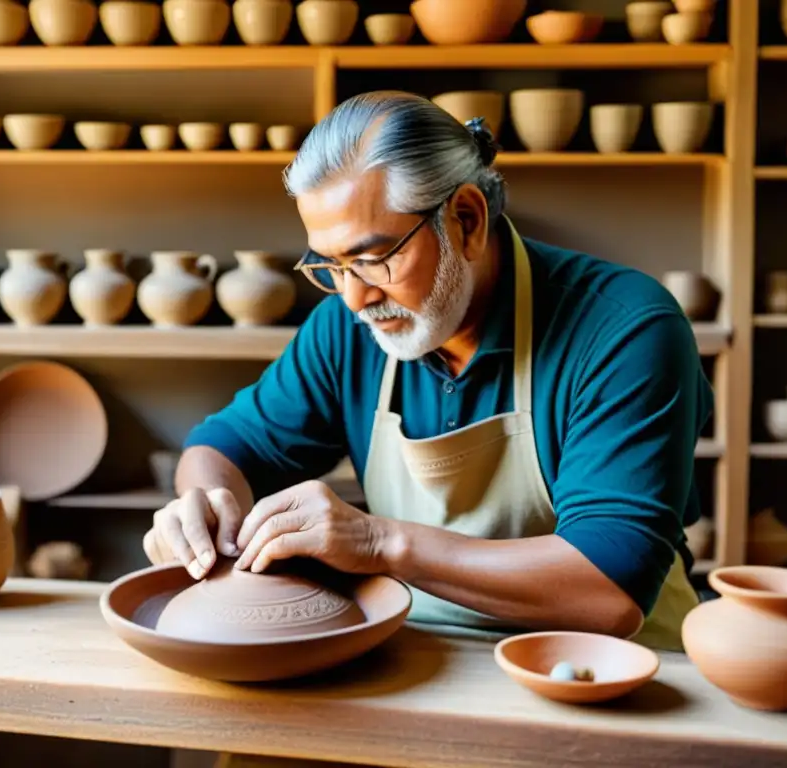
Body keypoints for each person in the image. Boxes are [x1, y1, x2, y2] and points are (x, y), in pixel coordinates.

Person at [142, 90, 713, 652]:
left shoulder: (624, 328)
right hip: (422, 654)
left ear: (466, 219)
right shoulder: (346, 329)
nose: (355, 298)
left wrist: (378, 542)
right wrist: (206, 507)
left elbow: (607, 590)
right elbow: (226, 446)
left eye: (374, 260)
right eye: (331, 265)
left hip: (615, 674)